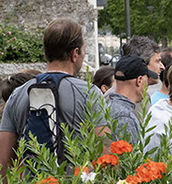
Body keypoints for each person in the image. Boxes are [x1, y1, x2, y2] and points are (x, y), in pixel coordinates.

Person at [0, 18, 106, 175]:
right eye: (83, 51)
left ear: (45, 52)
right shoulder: (90, 93)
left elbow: (4, 161)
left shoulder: (18, 94)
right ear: (75, 53)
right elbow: (104, 150)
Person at [105, 55, 158, 142]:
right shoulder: (126, 118)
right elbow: (129, 155)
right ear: (139, 80)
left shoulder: (106, 105)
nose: (147, 86)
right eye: (147, 80)